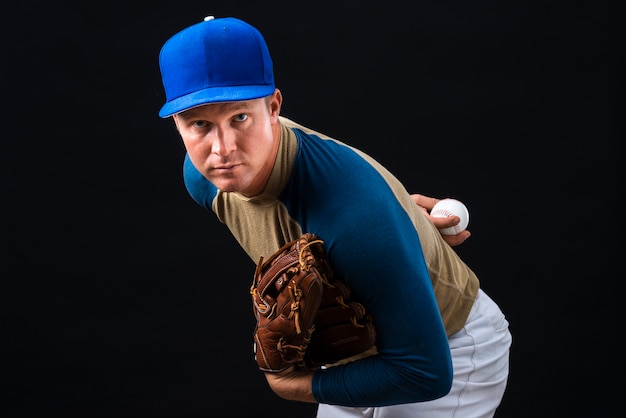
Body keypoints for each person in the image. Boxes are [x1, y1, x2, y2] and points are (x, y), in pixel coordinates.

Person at [157, 15, 512, 417]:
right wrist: (394, 223)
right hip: (356, 352)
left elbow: (425, 372)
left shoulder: (354, 213)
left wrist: (291, 386)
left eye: (240, 117)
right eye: (200, 124)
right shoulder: (203, 179)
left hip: (450, 348)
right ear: (177, 124)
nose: (222, 148)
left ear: (273, 106)